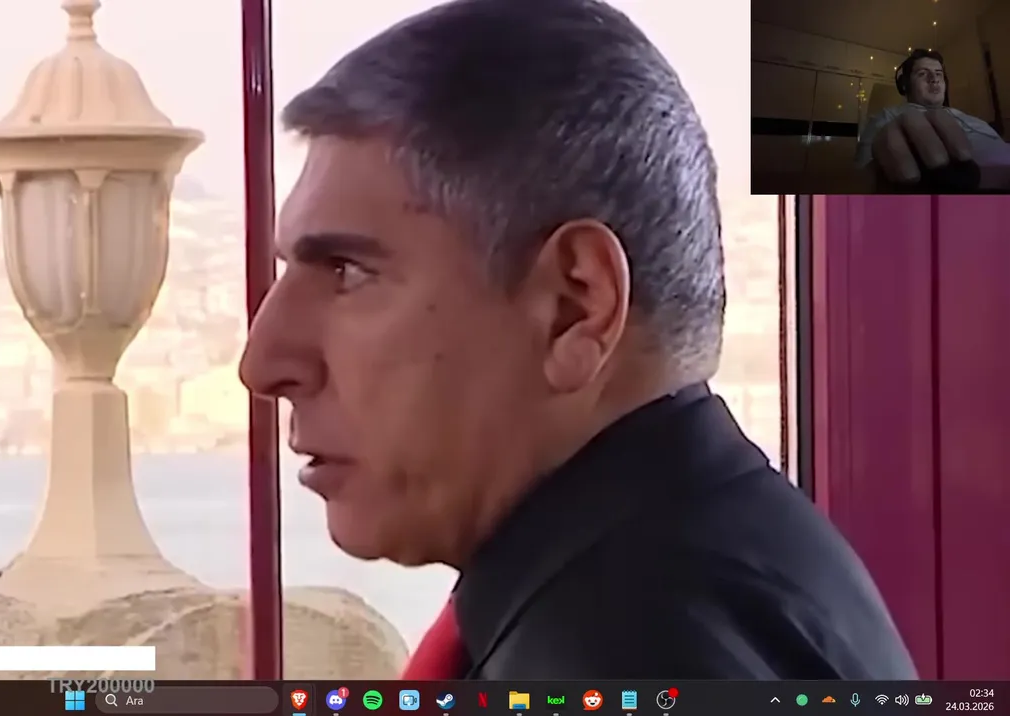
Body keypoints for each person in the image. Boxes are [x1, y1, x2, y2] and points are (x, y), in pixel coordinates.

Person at [239, 0, 918, 680]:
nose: (262, 364)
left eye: (347, 271)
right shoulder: (726, 564)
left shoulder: (625, 649)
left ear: (575, 306)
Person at [856, 49, 1010, 189]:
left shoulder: (970, 117)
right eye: (923, 73)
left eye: (938, 74)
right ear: (905, 84)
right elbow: (861, 180)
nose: (934, 79)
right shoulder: (888, 117)